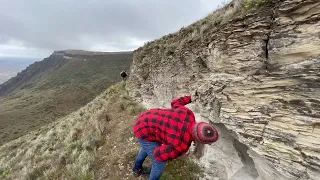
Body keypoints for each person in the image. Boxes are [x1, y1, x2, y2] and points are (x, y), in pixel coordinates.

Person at [132, 95, 219, 180]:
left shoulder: (188, 113)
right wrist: (168, 151)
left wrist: (190, 97)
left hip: (146, 117)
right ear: (200, 142)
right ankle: (137, 169)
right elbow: (157, 154)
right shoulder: (181, 145)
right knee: (159, 164)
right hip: (143, 131)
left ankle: (137, 169)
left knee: (147, 147)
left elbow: (175, 102)